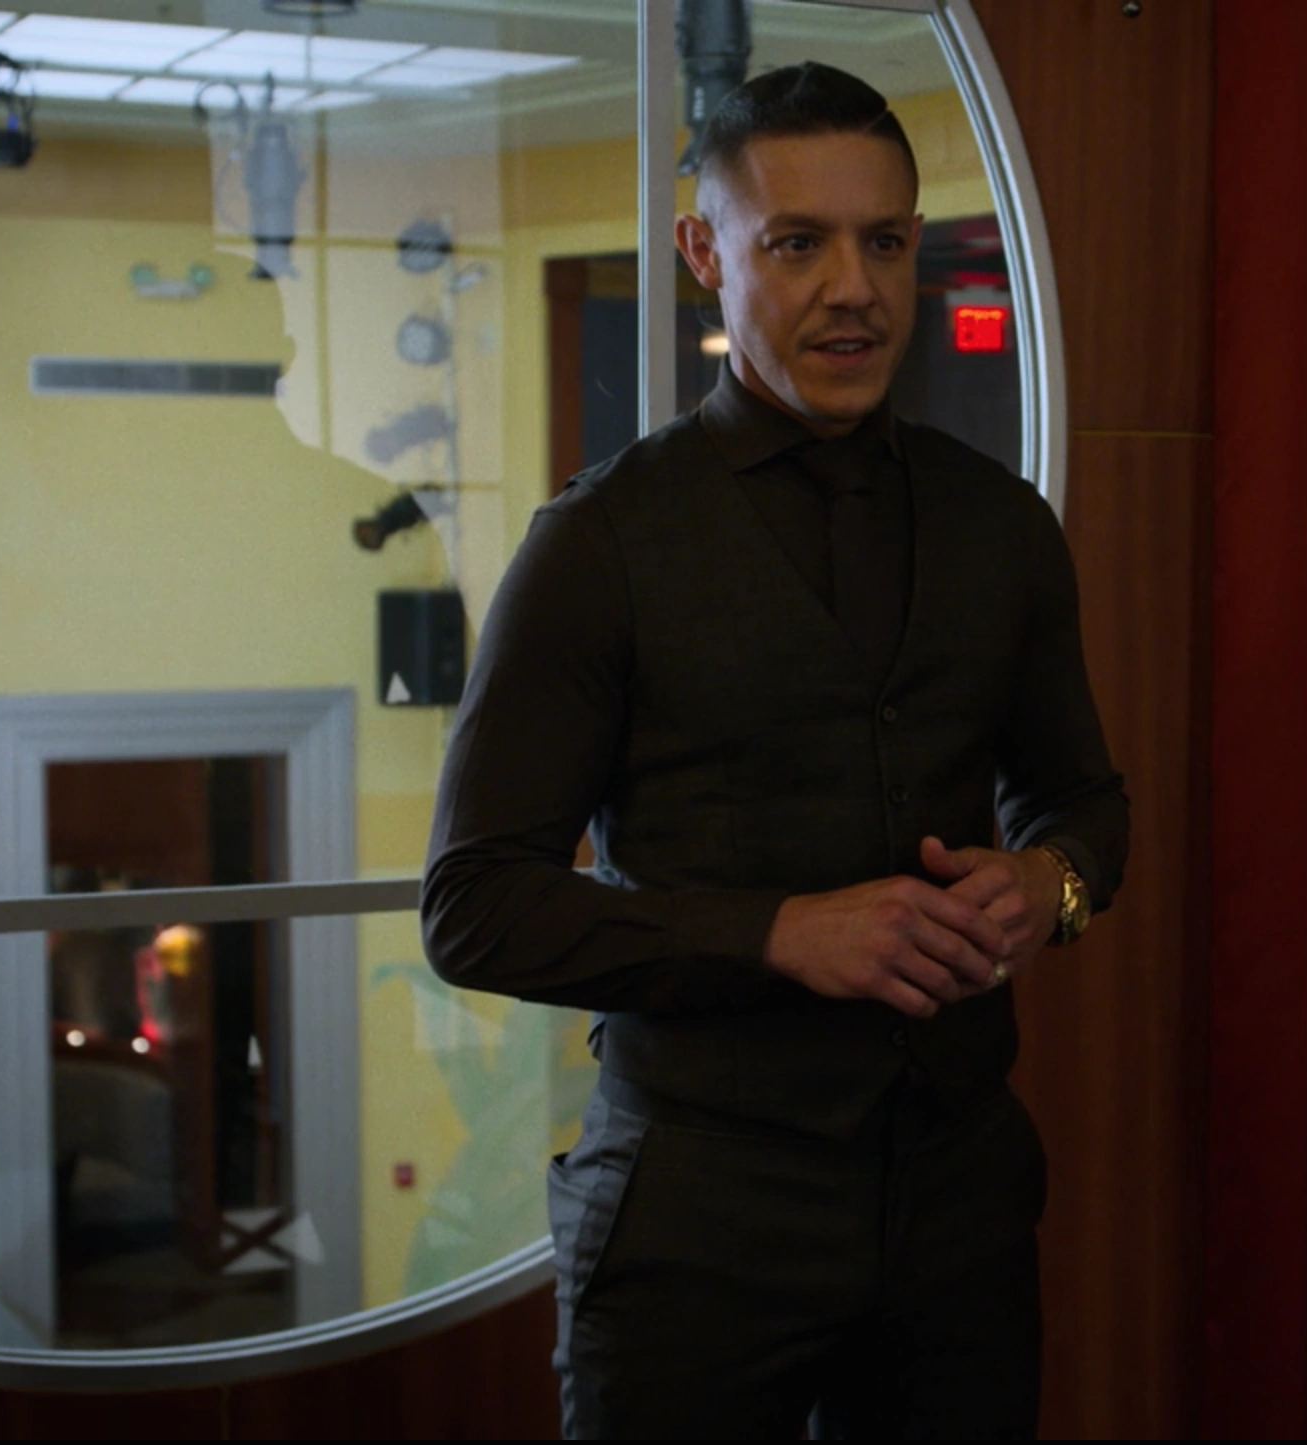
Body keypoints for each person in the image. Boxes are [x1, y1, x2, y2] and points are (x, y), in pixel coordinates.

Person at [420, 62, 1128, 1439]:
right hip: (698, 1218)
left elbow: (1085, 804)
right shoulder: (599, 545)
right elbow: (474, 906)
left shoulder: (1003, 527)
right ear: (706, 252)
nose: (852, 289)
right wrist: (776, 934)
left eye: (885, 242)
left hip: (961, 1206)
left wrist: (1047, 887)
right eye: (797, 244)